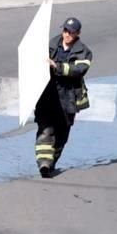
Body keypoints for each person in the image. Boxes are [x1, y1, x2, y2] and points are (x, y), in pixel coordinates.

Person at [34, 17, 93, 178]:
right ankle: (44, 164)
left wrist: (56, 66)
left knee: (62, 133)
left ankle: (51, 161)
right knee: (45, 130)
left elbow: (79, 69)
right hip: (47, 96)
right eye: (65, 30)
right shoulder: (50, 46)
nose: (67, 34)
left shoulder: (84, 52)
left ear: (77, 34)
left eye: (71, 32)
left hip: (68, 99)